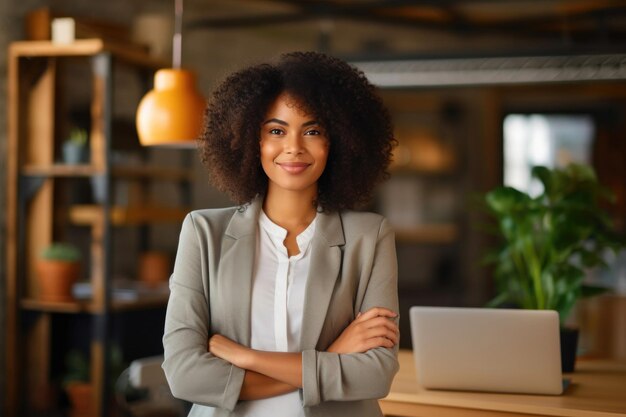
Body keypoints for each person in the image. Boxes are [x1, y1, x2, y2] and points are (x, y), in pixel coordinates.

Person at [162, 51, 399, 417]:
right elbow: (184, 377)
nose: (294, 147)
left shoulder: (369, 236)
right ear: (250, 139)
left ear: (338, 141)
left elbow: (375, 375)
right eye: (276, 130)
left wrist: (247, 358)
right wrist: (333, 357)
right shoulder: (203, 232)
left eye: (313, 131)